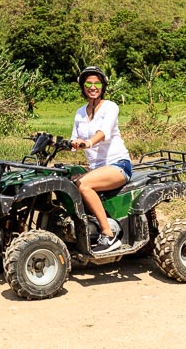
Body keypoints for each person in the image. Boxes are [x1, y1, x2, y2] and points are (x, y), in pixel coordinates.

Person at [69, 66, 133, 254]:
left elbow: (103, 132)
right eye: (88, 83)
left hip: (118, 165)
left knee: (84, 185)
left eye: (97, 83)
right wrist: (69, 143)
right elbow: (73, 138)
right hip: (96, 168)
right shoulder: (80, 112)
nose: (92, 87)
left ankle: (108, 235)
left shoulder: (111, 107)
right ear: (83, 87)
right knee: (66, 181)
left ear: (103, 86)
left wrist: (88, 143)